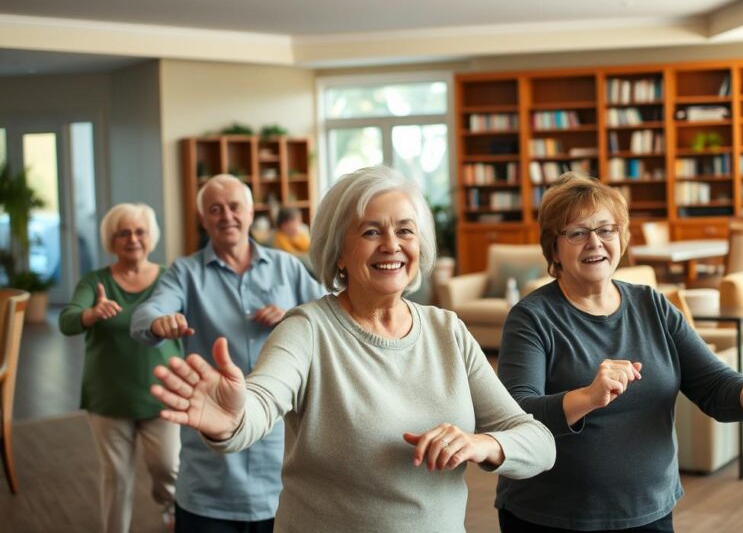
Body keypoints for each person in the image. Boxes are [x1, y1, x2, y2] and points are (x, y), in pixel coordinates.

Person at [148, 165, 556, 532]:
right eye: (370, 231)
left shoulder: (446, 330)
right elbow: (260, 402)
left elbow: (539, 443)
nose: (391, 245)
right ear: (339, 251)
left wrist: (482, 444)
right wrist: (233, 418)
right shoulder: (307, 329)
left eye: (405, 230)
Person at [495, 172, 743, 532]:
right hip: (552, 517)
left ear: (621, 238)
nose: (594, 242)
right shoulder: (532, 318)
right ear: (554, 247)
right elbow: (517, 414)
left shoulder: (652, 305)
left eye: (606, 230)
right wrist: (587, 397)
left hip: (649, 512)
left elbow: (713, 385)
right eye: (577, 233)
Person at [131, 174, 323, 533]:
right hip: (210, 480)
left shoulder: (288, 267)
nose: (226, 216)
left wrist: (293, 316)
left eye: (234, 206)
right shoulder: (184, 272)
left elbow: (330, 313)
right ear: (203, 219)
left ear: (251, 213)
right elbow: (146, 314)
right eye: (214, 209)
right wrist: (161, 323)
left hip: (282, 466)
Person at [58, 203, 181, 533]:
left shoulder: (170, 278)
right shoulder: (95, 281)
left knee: (168, 468)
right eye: (123, 233)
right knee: (116, 478)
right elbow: (67, 322)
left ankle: (171, 508)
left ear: (150, 237)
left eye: (139, 231)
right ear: (111, 240)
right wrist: (91, 314)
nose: (133, 239)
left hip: (163, 395)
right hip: (109, 397)